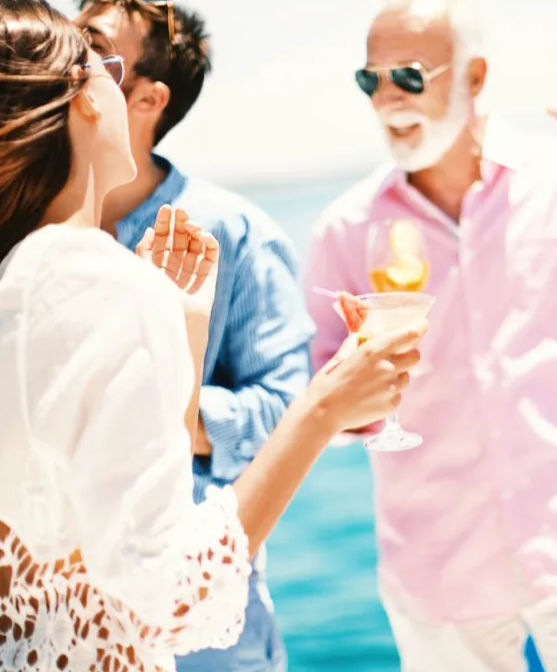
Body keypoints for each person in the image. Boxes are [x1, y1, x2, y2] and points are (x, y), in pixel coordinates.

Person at [0, 2, 424, 670]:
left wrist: (182, 337)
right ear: (83, 100)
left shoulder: (24, 274)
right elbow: (173, 600)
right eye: (99, 65)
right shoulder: (99, 280)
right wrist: (323, 407)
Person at [304, 1, 557, 669]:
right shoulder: (344, 229)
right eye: (369, 80)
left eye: (407, 76)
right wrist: (358, 387)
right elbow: (323, 406)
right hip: (437, 573)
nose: (387, 99)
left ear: (475, 76)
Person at [72, 2, 314, 668]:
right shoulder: (30, 227)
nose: (69, 59)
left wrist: (158, 413)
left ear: (148, 99)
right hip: (65, 616)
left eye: (92, 46)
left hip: (200, 623)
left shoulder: (236, 232)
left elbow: (289, 414)